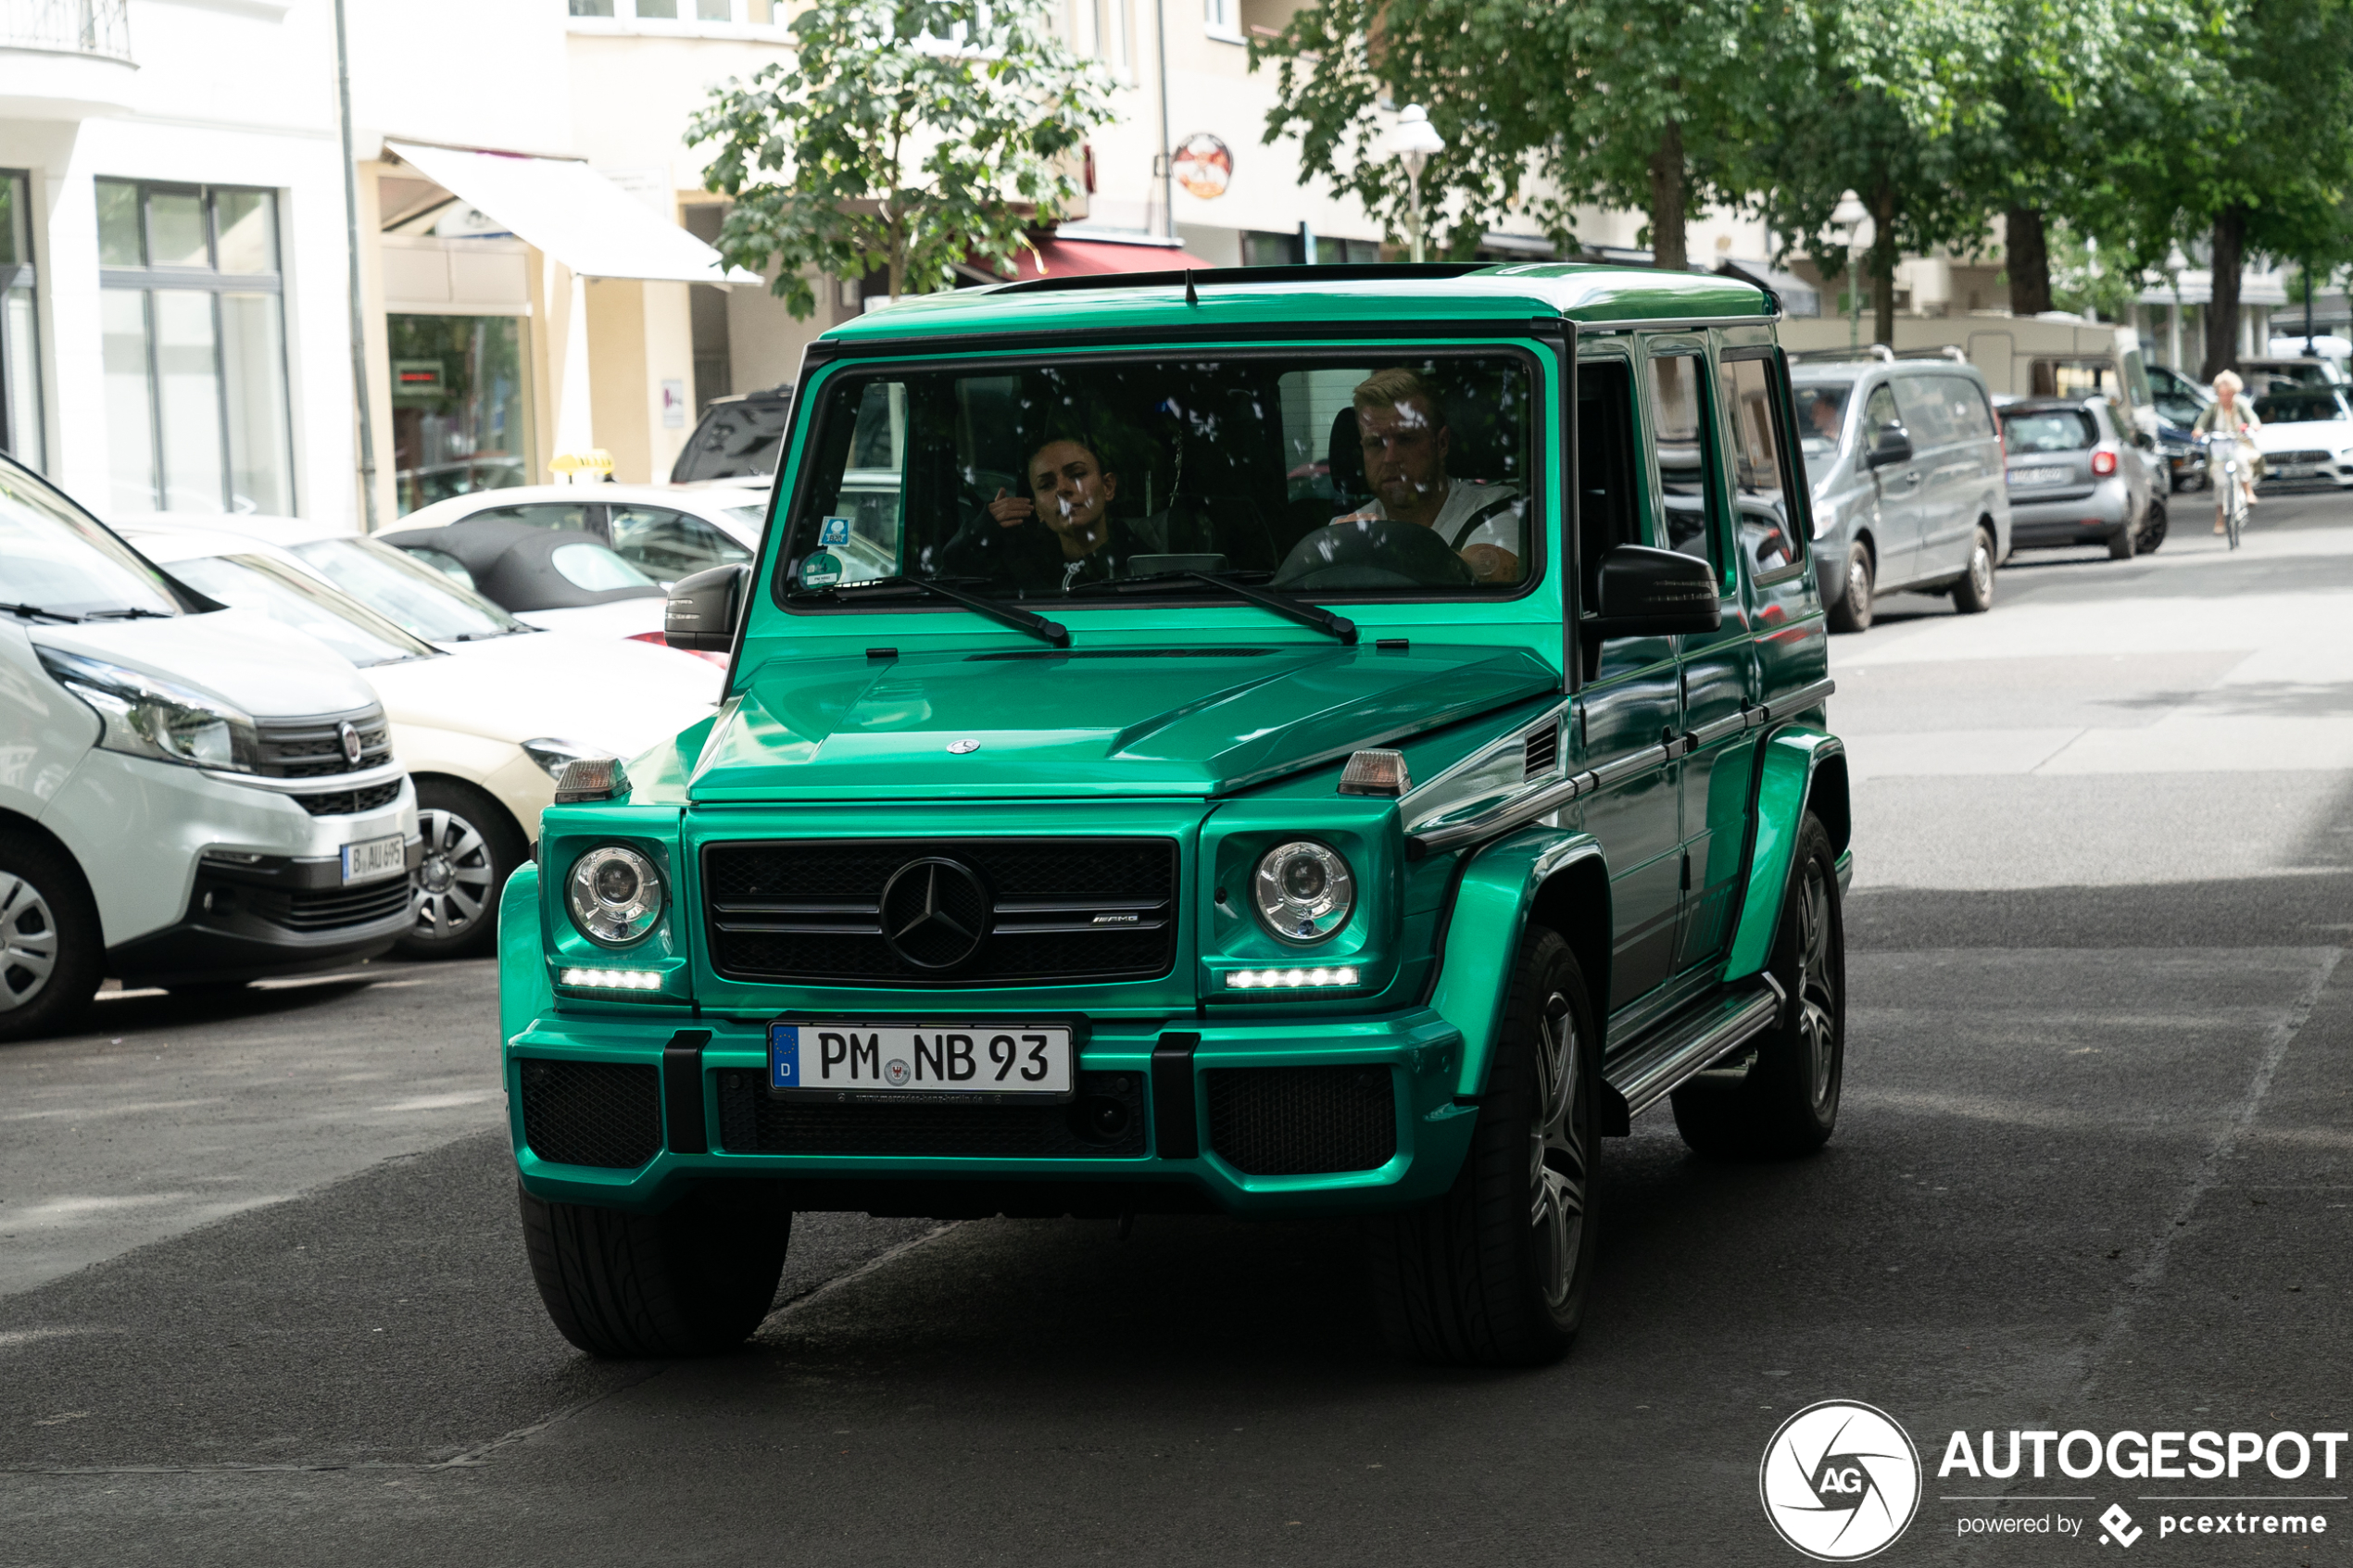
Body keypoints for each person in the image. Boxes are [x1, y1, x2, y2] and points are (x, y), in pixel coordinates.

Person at [1330, 368, 1522, 583]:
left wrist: (1368, 551)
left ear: (1441, 443)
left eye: (1406, 439)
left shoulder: (1494, 509)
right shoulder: (1346, 528)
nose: (1390, 458)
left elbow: (1486, 579)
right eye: (1375, 443)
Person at [937, 434, 1164, 593]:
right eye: (1046, 485)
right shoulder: (1020, 571)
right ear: (1038, 510)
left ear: (1108, 487)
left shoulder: (1147, 569)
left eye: (1076, 474)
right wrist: (979, 533)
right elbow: (941, 594)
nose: (1061, 489)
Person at [2193, 369, 2261, 534]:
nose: (2225, 397)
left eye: (2228, 393)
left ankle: (2247, 490)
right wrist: (2199, 430)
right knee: (2220, 483)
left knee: (2240, 459)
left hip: (2239, 443)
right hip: (2219, 448)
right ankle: (2220, 518)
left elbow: (2253, 419)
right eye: (2221, 394)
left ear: (2234, 392)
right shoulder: (2213, 408)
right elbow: (2201, 422)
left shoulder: (2241, 405)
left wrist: (2252, 426)